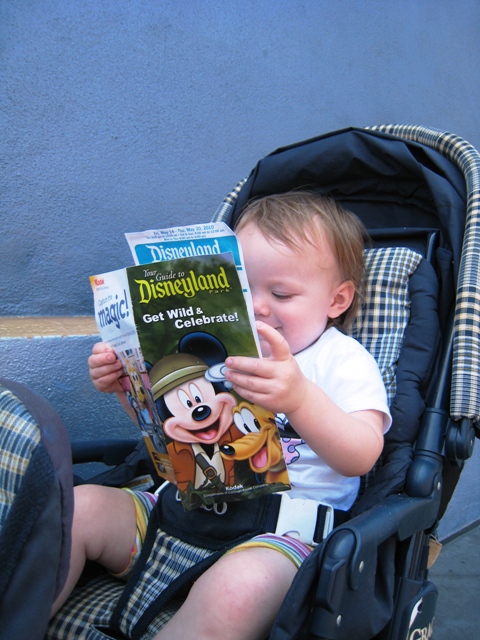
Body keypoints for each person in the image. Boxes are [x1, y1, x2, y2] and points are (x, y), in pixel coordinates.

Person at [51, 191, 391, 640]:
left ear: (337, 300)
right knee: (80, 509)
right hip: (182, 506)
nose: (258, 307)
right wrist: (126, 386)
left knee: (237, 590)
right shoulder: (208, 349)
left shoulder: (342, 361)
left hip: (280, 534)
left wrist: (300, 399)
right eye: (244, 289)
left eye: (282, 293)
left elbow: (362, 455)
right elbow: (168, 435)